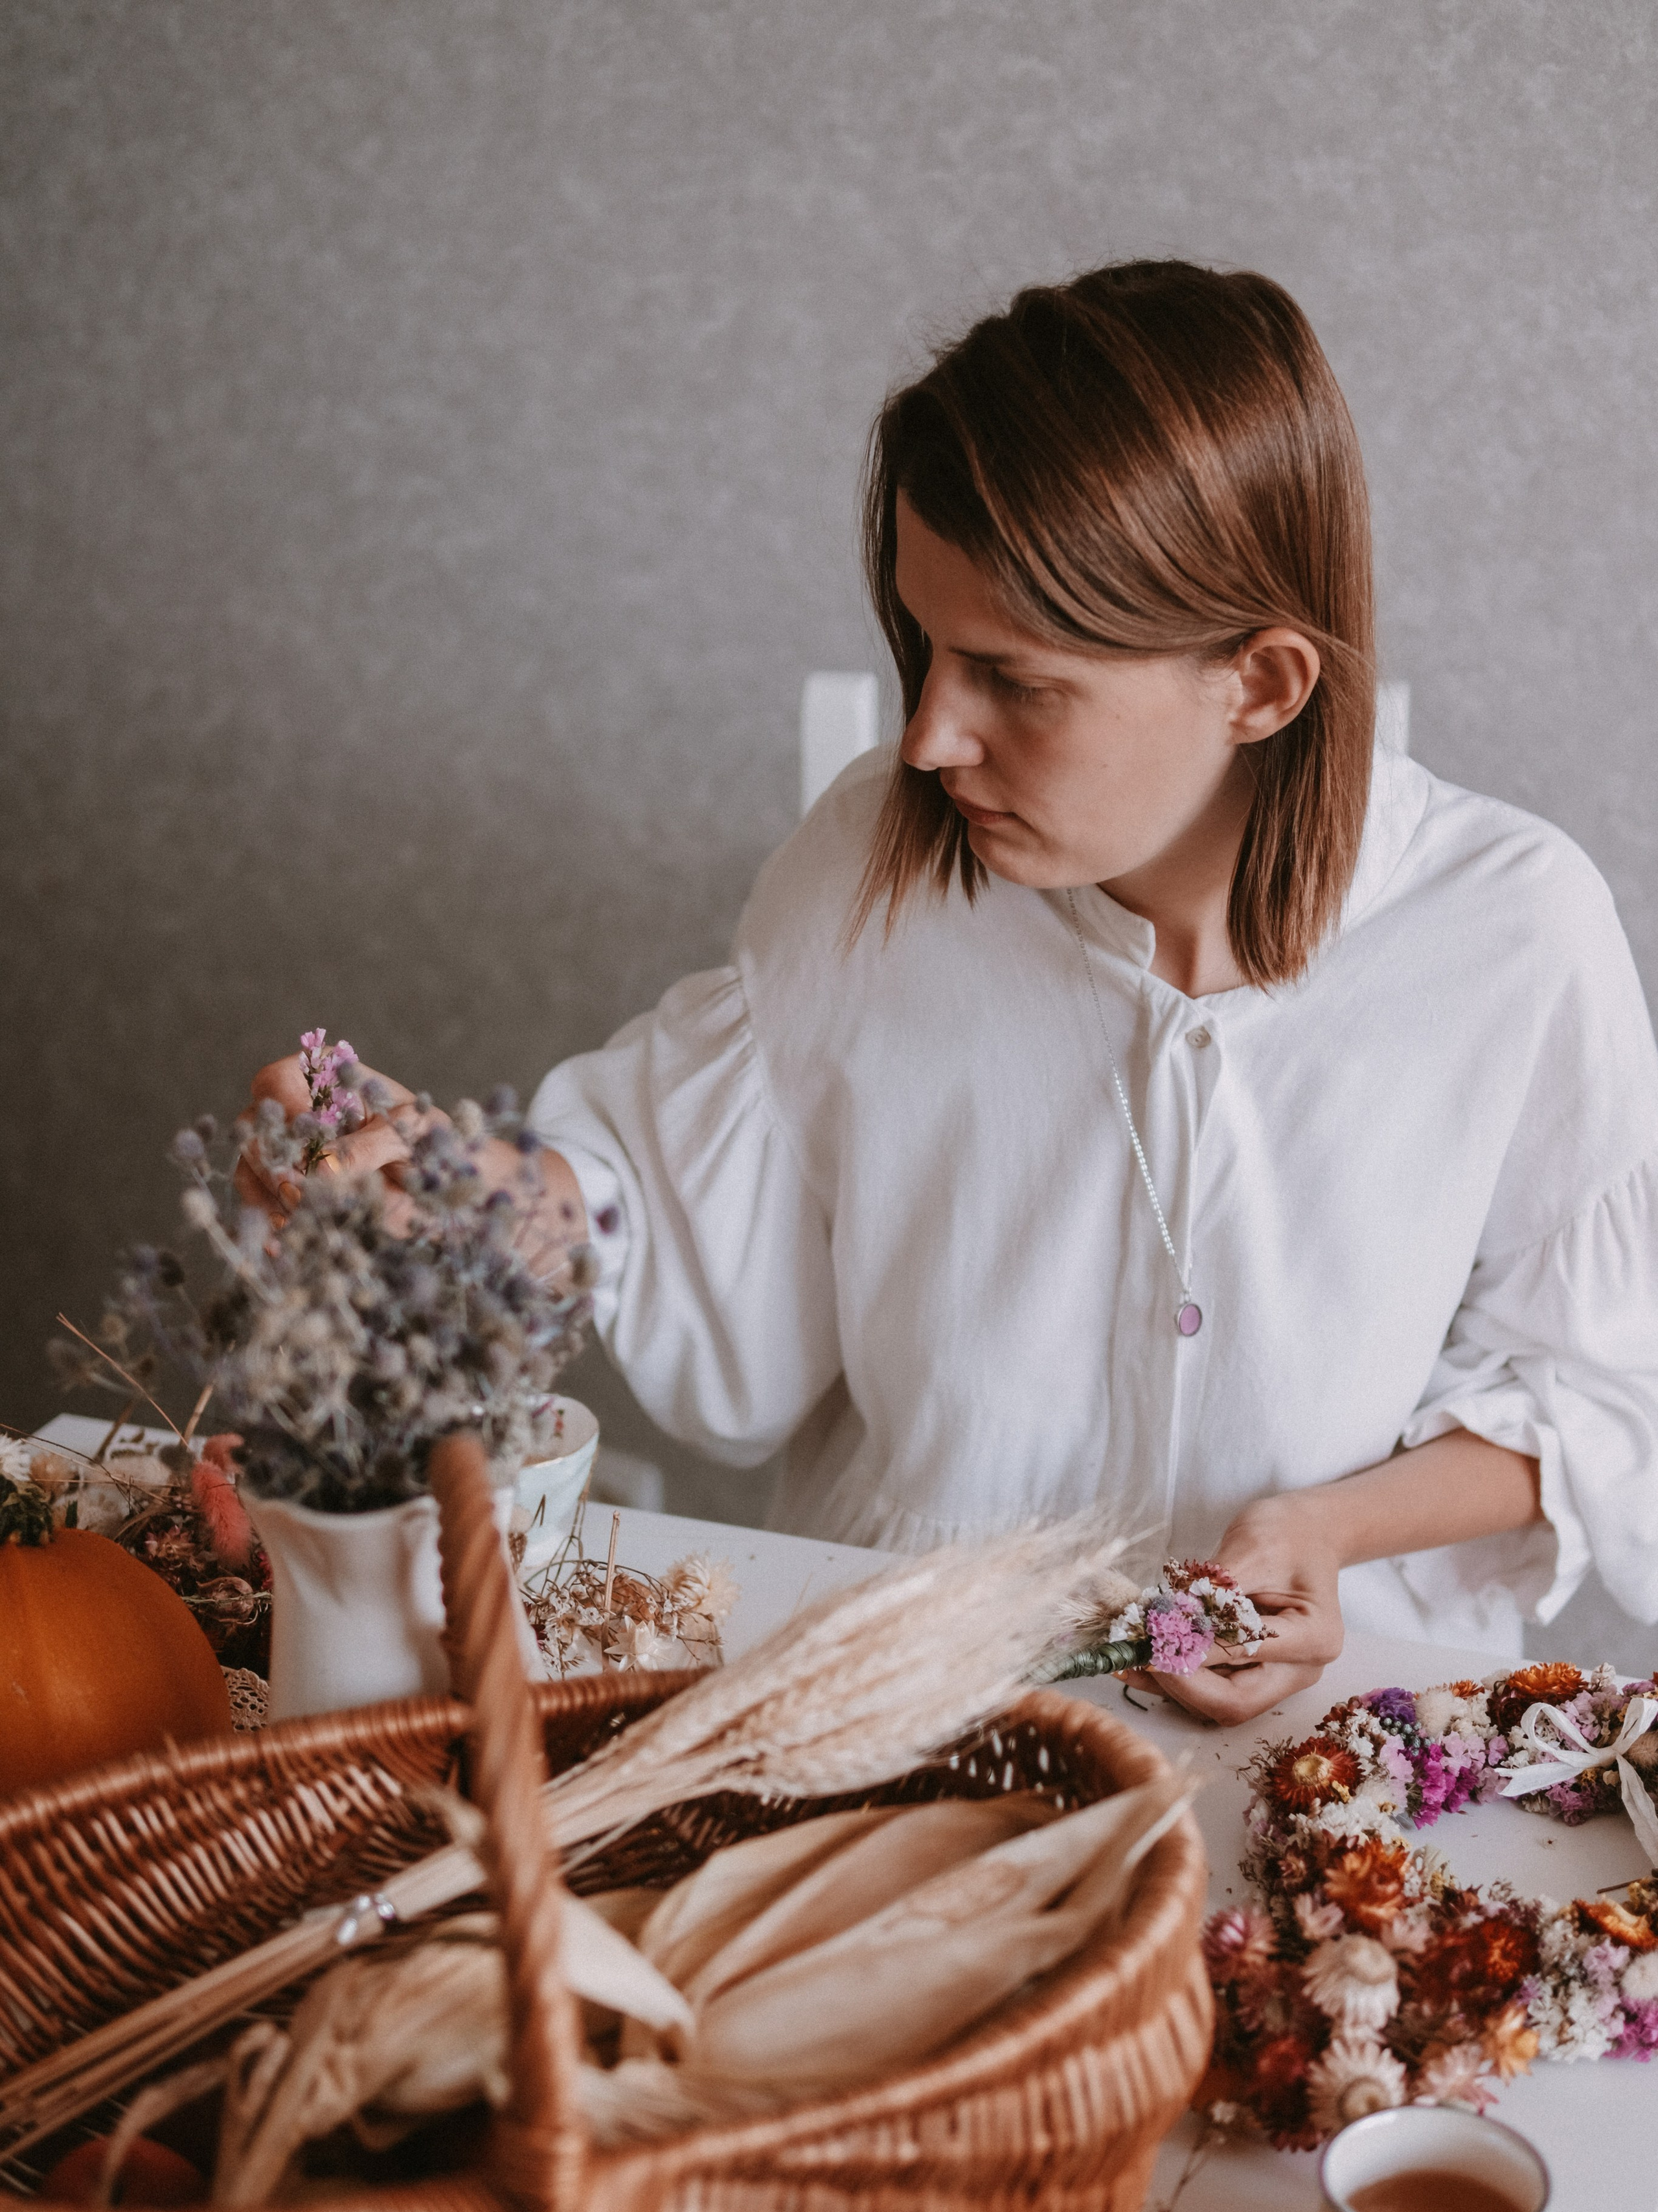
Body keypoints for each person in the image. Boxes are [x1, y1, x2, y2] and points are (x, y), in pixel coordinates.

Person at [241, 259, 1658, 1726]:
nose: (928, 737)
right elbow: (662, 1202)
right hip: (902, 1706)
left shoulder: (1512, 934)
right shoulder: (879, 861)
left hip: (1345, 1734)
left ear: (1260, 683)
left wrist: (1328, 1531)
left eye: (1012, 679)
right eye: (922, 648)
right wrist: (458, 1194)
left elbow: (1603, 1386)